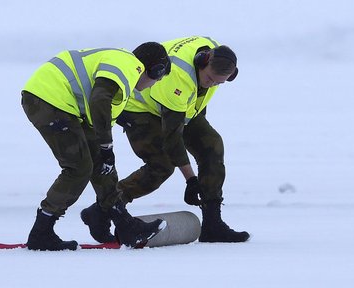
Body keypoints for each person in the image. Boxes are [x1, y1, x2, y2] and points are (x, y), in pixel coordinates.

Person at [79, 36, 250, 243]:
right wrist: (191, 180)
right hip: (138, 107)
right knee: (162, 165)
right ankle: (102, 210)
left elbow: (198, 99)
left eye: (218, 83)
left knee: (211, 146)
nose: (212, 84)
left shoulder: (213, 55)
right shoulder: (178, 78)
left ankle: (213, 223)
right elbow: (172, 139)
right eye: (209, 79)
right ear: (202, 63)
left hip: (179, 107)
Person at [21, 42, 172, 251]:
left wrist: (105, 151)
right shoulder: (129, 65)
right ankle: (41, 232)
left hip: (65, 104)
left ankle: (125, 224)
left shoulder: (123, 80)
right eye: (157, 79)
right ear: (154, 69)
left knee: (102, 164)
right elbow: (100, 99)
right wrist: (106, 145)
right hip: (48, 98)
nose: (153, 85)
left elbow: (100, 113)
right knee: (78, 168)